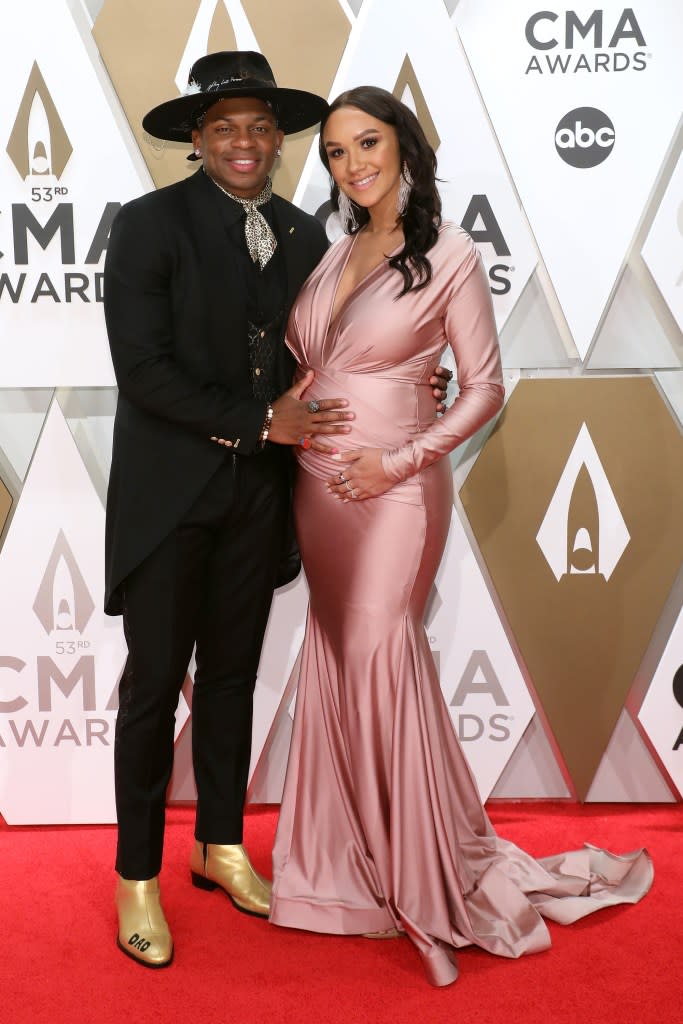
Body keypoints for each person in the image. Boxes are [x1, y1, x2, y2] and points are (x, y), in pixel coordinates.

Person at [268, 87, 653, 987]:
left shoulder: (449, 253)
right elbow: (312, 364)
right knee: (338, 657)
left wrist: (396, 460)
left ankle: (419, 882)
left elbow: (483, 387)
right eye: (332, 152)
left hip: (393, 495)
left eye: (367, 143)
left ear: (404, 148)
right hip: (316, 494)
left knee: (379, 654)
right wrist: (282, 410)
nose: (350, 164)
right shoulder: (330, 257)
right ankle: (350, 875)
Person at [103, 53, 451, 968]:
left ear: (280, 136)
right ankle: (137, 875)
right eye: (224, 127)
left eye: (261, 125)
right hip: (168, 499)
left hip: (262, 502)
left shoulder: (308, 237)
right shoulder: (145, 227)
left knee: (228, 680)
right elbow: (141, 372)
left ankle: (221, 847)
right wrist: (261, 418)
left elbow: (341, 352)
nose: (246, 142)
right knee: (151, 691)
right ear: (195, 138)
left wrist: (411, 382)